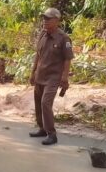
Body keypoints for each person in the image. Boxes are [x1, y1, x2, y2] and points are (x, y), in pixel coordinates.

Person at [29, 8, 74, 145]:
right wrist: (33, 72)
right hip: (40, 74)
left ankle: (51, 134)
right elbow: (38, 55)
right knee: (38, 102)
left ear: (56, 21)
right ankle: (42, 128)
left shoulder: (63, 38)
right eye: (44, 18)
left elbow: (67, 59)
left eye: (48, 19)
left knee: (45, 103)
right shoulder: (43, 34)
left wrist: (64, 78)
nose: (45, 21)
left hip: (53, 77)